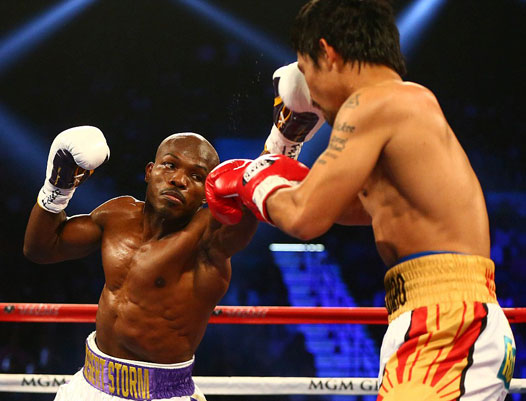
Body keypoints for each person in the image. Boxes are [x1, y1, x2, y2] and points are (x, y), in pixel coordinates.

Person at [205, 0, 517, 400]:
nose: (311, 94)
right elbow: (340, 205)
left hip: (448, 324)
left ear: (327, 53)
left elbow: (303, 217)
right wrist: (281, 149)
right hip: (437, 318)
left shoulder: (373, 103)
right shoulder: (400, 106)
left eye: (306, 69)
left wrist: (250, 177)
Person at [23, 127, 259, 401]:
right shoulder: (118, 215)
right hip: (89, 384)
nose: (179, 180)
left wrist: (282, 144)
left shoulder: (207, 239)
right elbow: (41, 248)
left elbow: (247, 213)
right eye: (170, 165)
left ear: (207, 194)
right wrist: (58, 187)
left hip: (160, 394)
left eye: (196, 176)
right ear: (149, 171)